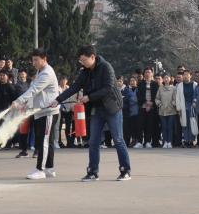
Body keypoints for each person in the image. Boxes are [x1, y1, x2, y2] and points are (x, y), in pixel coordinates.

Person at [51, 45, 131, 181]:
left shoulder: (106, 67)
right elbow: (75, 87)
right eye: (80, 61)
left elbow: (108, 88)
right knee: (93, 141)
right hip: (97, 109)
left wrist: (89, 97)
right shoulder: (85, 72)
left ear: (92, 57)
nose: (82, 63)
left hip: (112, 108)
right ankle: (93, 172)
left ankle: (125, 170)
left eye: (84, 60)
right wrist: (58, 100)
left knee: (118, 139)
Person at [14, 48, 61, 180]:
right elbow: (36, 93)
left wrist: (19, 101)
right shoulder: (40, 72)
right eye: (32, 60)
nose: (33, 63)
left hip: (48, 112)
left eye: (36, 60)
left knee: (44, 141)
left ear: (44, 59)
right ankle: (49, 168)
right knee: (46, 141)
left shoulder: (47, 73)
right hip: (41, 112)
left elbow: (34, 90)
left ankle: (40, 169)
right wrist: (27, 105)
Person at [137, 68, 160, 148]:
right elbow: (139, 95)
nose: (147, 74)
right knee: (140, 125)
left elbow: (157, 95)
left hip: (152, 107)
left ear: (152, 74)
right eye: (146, 72)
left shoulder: (155, 84)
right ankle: (139, 142)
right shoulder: (140, 83)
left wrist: (151, 103)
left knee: (149, 125)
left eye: (149, 72)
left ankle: (147, 141)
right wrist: (146, 102)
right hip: (142, 106)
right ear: (144, 74)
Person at [174, 69, 198, 147]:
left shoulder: (195, 84)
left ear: (190, 76)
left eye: (187, 74)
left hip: (192, 107)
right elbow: (177, 98)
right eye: (184, 75)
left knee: (192, 124)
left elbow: (197, 95)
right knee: (184, 124)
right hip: (183, 107)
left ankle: (192, 140)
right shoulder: (180, 85)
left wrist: (195, 103)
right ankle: (186, 140)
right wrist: (178, 109)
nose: (185, 76)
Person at [156, 74, 177, 149]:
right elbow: (157, 98)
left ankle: (169, 142)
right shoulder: (160, 88)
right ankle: (165, 142)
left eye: (167, 78)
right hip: (162, 111)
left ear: (170, 79)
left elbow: (175, 99)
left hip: (171, 111)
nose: (166, 79)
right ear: (163, 79)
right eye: (165, 78)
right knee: (164, 127)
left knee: (170, 127)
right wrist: (159, 104)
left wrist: (173, 104)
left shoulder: (173, 88)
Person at [122, 76, 140, 147]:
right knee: (130, 128)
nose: (132, 82)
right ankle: (131, 140)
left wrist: (131, 99)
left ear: (136, 82)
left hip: (138, 111)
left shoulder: (138, 89)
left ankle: (137, 140)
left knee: (137, 127)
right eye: (131, 81)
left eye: (133, 81)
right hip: (129, 112)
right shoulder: (127, 90)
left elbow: (138, 99)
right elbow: (125, 99)